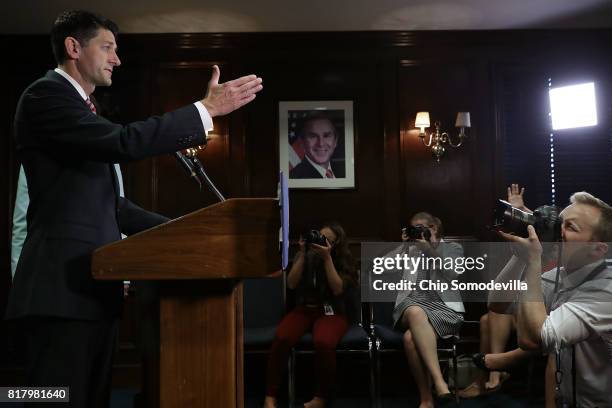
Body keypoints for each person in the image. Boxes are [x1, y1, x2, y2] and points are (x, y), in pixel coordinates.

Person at [5, 9, 262, 407]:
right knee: (50, 401)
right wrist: (204, 110)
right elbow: (124, 142)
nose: (117, 59)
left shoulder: (83, 110)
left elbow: (114, 207)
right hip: (58, 295)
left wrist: (188, 231)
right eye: (107, 47)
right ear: (74, 47)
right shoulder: (45, 97)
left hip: (92, 293)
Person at [490, 192, 612, 408]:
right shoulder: (560, 276)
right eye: (559, 223)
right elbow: (498, 303)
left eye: (570, 227)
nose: (558, 232)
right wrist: (519, 257)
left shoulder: (606, 291)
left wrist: (534, 260)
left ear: (598, 249)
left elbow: (533, 339)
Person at [264, 222, 357, 408]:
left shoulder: (343, 260)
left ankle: (321, 397)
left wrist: (327, 259)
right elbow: (291, 284)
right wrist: (303, 255)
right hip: (304, 309)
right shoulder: (304, 255)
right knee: (282, 338)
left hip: (332, 312)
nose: (319, 243)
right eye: (318, 237)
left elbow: (337, 289)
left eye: (325, 240)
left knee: (323, 342)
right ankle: (270, 395)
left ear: (336, 243)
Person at [392, 212, 464, 408]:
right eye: (413, 228)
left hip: (443, 308)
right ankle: (440, 382)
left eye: (422, 227)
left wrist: (431, 249)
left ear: (433, 228)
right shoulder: (408, 249)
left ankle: (426, 399)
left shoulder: (452, 248)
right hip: (410, 305)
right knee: (416, 311)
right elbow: (383, 270)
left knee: (409, 339)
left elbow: (454, 272)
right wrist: (404, 247)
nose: (418, 232)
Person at [289, 113, 345, 179]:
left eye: (326, 136)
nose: (320, 143)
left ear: (335, 141)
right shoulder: (294, 178)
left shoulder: (343, 171)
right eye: (313, 136)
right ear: (302, 142)